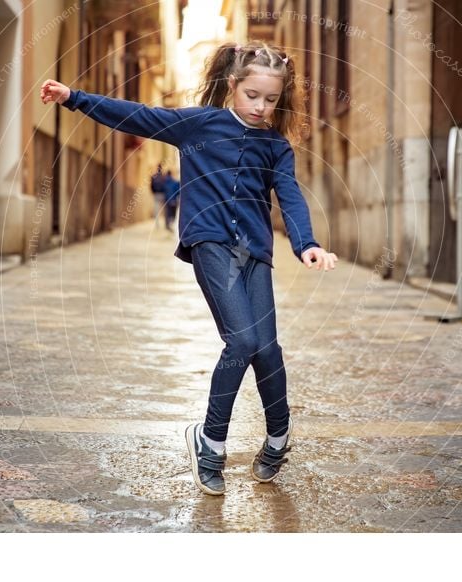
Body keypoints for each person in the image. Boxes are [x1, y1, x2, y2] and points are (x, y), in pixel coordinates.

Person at [40, 39, 338, 496]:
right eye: (252, 95)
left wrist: (307, 244)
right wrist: (74, 98)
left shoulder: (277, 146)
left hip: (254, 251)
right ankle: (210, 441)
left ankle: (278, 436)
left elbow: (290, 196)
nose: (261, 107)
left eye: (272, 99)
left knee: (267, 348)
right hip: (209, 244)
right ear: (232, 85)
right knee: (241, 340)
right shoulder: (198, 124)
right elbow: (138, 115)